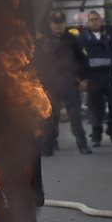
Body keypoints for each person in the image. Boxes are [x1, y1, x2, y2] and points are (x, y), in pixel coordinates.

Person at [35, 10, 91, 156]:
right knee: (50, 117)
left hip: (70, 83)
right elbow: (39, 64)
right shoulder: (44, 42)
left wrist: (83, 78)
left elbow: (83, 59)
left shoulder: (73, 40)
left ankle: (83, 144)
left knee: (75, 117)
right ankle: (47, 147)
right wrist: (41, 84)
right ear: (51, 25)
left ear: (65, 24)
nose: (58, 26)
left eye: (60, 23)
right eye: (55, 23)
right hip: (51, 85)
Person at [79, 10, 112, 146]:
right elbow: (79, 58)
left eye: (96, 19)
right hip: (92, 76)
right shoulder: (83, 37)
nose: (94, 22)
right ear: (88, 22)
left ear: (101, 20)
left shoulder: (110, 33)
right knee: (95, 107)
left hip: (108, 74)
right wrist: (82, 78)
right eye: (91, 20)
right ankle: (96, 135)